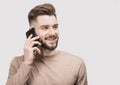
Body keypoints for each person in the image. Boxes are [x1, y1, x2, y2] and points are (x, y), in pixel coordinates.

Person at [6, 3, 88, 85]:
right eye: (45, 28)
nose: (52, 33)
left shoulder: (77, 63)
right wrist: (27, 63)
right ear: (32, 32)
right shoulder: (18, 63)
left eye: (55, 27)